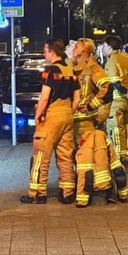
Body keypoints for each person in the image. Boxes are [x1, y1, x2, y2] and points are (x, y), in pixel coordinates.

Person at [21, 38, 79, 205]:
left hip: (51, 116)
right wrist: (69, 112)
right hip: (67, 115)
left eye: (45, 51)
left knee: (40, 155)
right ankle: (67, 193)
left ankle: (37, 194)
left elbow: (44, 97)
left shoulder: (51, 71)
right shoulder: (70, 70)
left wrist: (38, 115)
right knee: (65, 155)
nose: (43, 54)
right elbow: (77, 98)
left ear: (53, 52)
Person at [102, 36, 128, 164]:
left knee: (116, 128)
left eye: (104, 46)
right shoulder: (127, 57)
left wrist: (126, 93)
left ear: (109, 47)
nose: (102, 48)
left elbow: (116, 84)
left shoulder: (111, 61)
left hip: (118, 100)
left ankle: (120, 155)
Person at [71, 38, 112, 146]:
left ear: (84, 49)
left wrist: (90, 106)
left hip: (86, 122)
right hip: (72, 121)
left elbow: (107, 88)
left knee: (86, 157)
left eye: (76, 47)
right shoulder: (71, 67)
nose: (73, 49)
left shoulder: (93, 68)